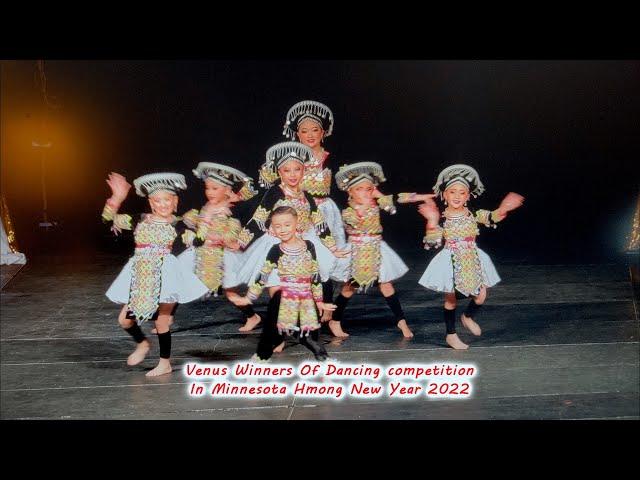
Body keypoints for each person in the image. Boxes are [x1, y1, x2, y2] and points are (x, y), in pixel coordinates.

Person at [398, 164, 524, 349]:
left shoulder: (473, 214)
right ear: (445, 195)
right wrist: (431, 221)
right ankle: (451, 334)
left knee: (481, 296)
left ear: (468, 195)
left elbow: (493, 216)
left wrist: (505, 207)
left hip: (472, 258)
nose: (457, 196)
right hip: (451, 260)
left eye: (462, 192)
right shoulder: (442, 217)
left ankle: (468, 316)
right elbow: (432, 241)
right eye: (453, 192)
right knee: (451, 299)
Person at [103, 172, 208, 376]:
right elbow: (108, 220)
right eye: (157, 201)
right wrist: (117, 197)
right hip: (142, 275)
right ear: (151, 202)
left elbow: (199, 240)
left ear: (175, 201)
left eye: (167, 200)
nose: (162, 204)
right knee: (125, 320)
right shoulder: (140, 220)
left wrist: (202, 225)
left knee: (162, 321)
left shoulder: (180, 223)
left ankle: (164, 363)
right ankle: (143, 344)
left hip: (166, 275)